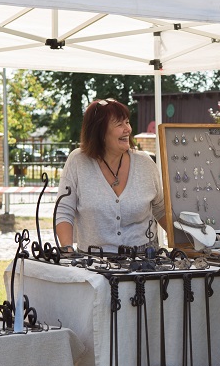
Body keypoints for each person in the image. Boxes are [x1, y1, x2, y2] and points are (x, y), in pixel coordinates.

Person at [55, 98, 165, 252]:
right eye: (119, 124)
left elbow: (161, 209)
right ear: (100, 132)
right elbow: (64, 210)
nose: (127, 129)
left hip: (145, 257)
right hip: (92, 259)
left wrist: (185, 244)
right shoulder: (77, 161)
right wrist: (67, 250)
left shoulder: (145, 162)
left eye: (127, 122)